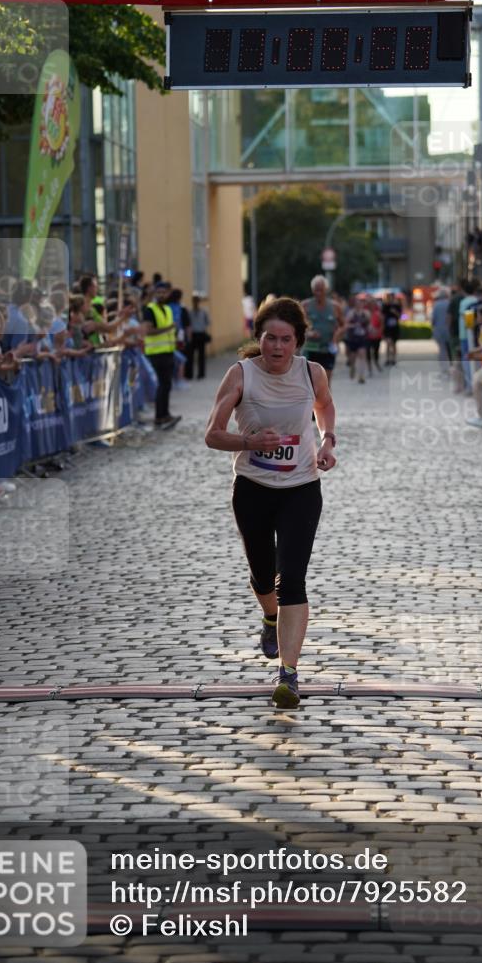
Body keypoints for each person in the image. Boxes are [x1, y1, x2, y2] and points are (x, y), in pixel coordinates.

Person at [204, 296, 336, 710]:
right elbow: (212, 433)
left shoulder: (312, 373)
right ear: (257, 337)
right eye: (269, 339)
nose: (277, 348)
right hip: (253, 489)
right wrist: (249, 441)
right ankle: (270, 616)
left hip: (301, 488)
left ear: (298, 340)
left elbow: (325, 407)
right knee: (263, 577)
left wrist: (327, 439)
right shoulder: (240, 374)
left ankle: (289, 675)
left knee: (291, 580)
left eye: (285, 339)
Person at [142, 281, 180, 428]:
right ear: (154, 293)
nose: (161, 295)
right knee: (161, 385)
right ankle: (159, 416)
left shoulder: (167, 309)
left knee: (167, 384)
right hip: (155, 354)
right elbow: (148, 330)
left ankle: (165, 414)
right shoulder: (149, 310)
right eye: (158, 292)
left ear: (168, 293)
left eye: (164, 292)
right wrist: (168, 328)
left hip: (169, 351)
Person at [301, 275, 345, 385]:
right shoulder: (305, 306)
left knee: (325, 383)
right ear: (312, 290)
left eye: (321, 290)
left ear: (326, 289)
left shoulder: (335, 307)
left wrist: (336, 336)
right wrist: (308, 333)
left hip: (327, 348)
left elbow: (343, 325)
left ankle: (325, 402)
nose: (318, 293)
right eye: (316, 290)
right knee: (311, 383)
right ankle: (312, 402)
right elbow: (297, 326)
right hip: (311, 348)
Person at [343, 295, 370, 383]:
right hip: (353, 338)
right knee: (353, 358)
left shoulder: (366, 313)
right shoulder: (351, 313)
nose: (359, 305)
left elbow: (369, 324)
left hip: (362, 338)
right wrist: (353, 325)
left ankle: (361, 376)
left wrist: (370, 329)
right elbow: (346, 325)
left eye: (360, 304)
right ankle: (352, 368)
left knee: (362, 355)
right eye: (357, 304)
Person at [186, 294, 211, 380]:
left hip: (201, 334)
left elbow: (207, 322)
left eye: (197, 301)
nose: (196, 303)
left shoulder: (203, 312)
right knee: (190, 356)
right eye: (194, 301)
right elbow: (188, 324)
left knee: (201, 356)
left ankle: (201, 374)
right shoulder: (190, 312)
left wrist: (204, 330)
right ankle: (189, 374)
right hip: (193, 335)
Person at [431, 287, 451, 377]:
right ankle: (452, 368)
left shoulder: (436, 305)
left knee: (442, 351)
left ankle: (444, 370)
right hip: (450, 330)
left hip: (439, 330)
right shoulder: (450, 303)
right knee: (451, 350)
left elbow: (433, 319)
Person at [382, 292, 401, 366]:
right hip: (387, 327)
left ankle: (393, 359)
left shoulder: (397, 306)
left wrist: (395, 312)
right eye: (388, 297)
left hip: (395, 327)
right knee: (388, 343)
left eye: (391, 297)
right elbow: (382, 316)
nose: (390, 299)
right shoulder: (385, 306)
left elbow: (400, 316)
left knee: (394, 344)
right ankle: (387, 359)